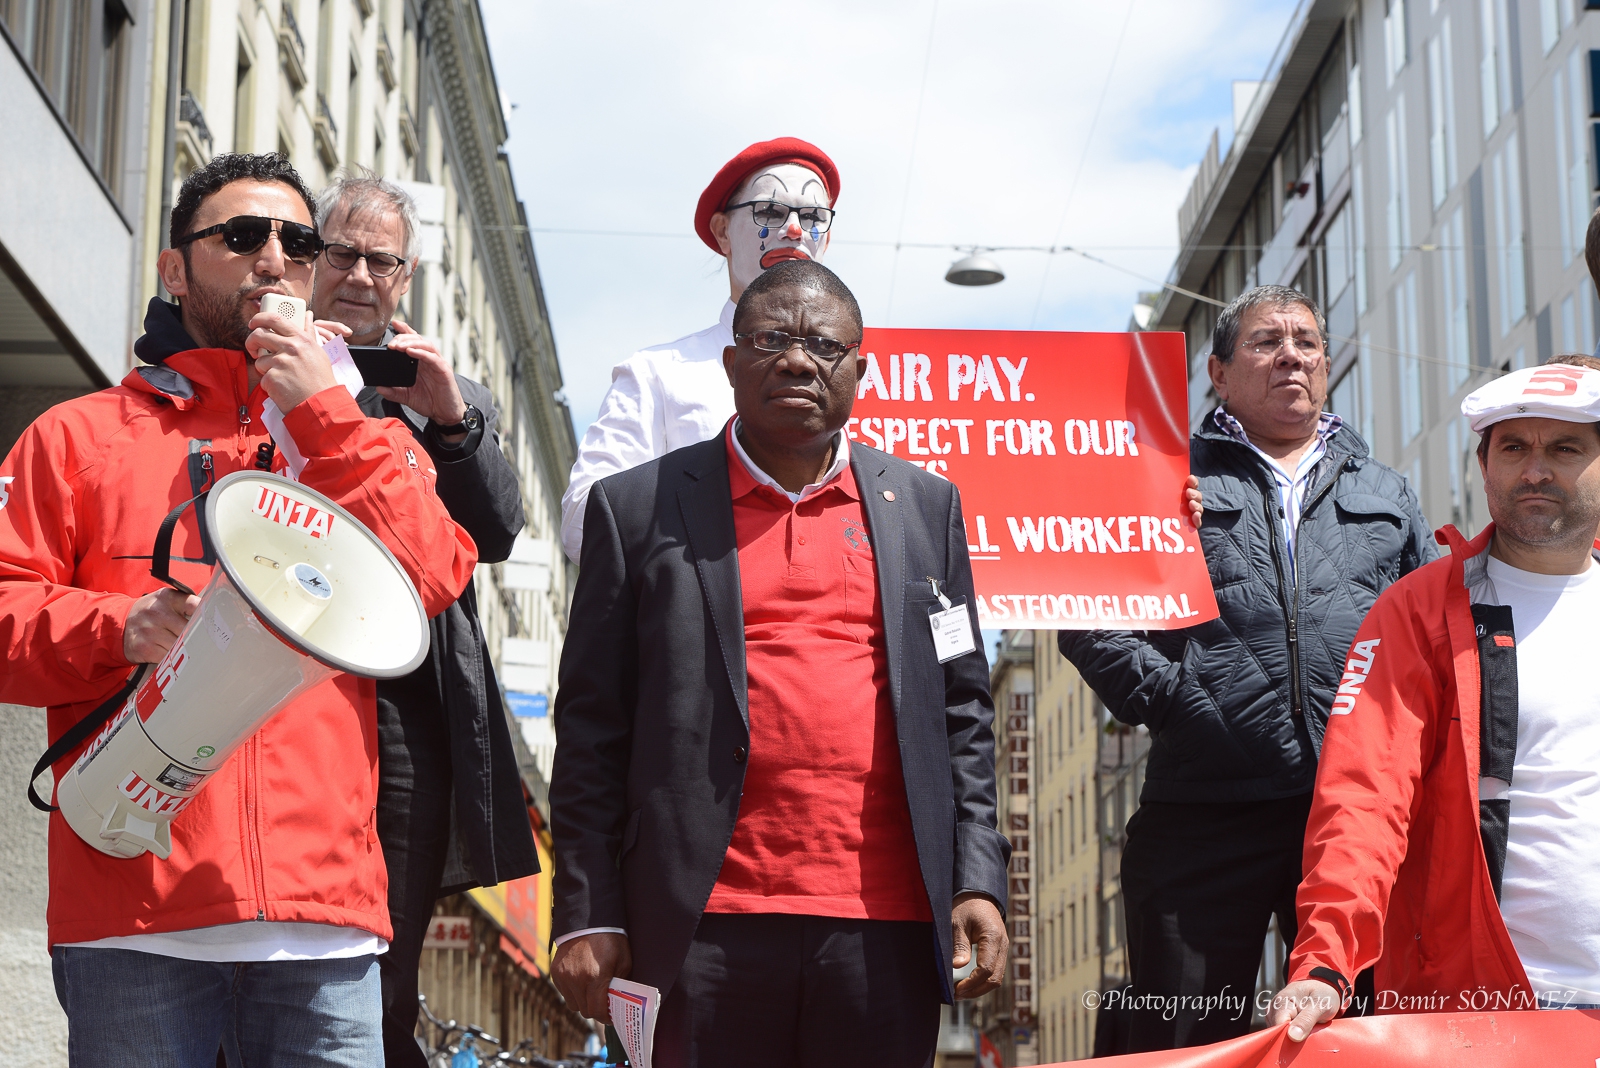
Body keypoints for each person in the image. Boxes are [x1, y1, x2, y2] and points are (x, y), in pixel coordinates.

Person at [0, 153, 477, 1066]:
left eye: (297, 241)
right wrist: (114, 628)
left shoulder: (356, 430)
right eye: (241, 236)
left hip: (322, 926)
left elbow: (429, 582)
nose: (273, 258)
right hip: (136, 918)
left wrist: (324, 416)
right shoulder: (78, 436)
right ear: (175, 269)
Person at [547, 260, 1010, 1067]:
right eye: (771, 339)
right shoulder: (633, 509)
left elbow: (962, 707)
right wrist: (586, 908)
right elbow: (591, 728)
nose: (798, 360)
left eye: (825, 346)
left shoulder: (926, 510)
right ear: (731, 362)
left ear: (859, 371)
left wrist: (977, 876)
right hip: (699, 925)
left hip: (884, 926)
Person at [1058, 284, 1435, 1052]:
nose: (1291, 354)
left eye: (1306, 341)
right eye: (1267, 341)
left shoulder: (1387, 492)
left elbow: (1430, 629)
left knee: (1358, 1038)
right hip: (1201, 808)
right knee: (1184, 1038)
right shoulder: (1159, 474)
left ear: (1327, 365)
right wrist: (1180, 701)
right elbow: (1086, 610)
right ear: (1219, 373)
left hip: (1350, 818)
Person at [1272, 357, 1600, 1040]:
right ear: (1485, 467)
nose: (1535, 469)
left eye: (1565, 448)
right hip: (1478, 1014)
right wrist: (1326, 963)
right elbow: (1363, 797)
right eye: (1514, 447)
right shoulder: (1419, 612)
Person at [309, 172, 537, 1068]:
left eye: (383, 261)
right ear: (310, 258)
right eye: (342, 253)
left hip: (404, 704)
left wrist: (451, 419)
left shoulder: (442, 384)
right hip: (277, 682)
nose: (361, 275)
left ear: (406, 279)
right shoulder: (267, 355)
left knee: (383, 963)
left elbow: (499, 531)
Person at [560, 137, 841, 562]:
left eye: (814, 216)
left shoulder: (860, 377)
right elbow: (585, 521)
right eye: (770, 210)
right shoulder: (658, 374)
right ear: (722, 231)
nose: (795, 230)